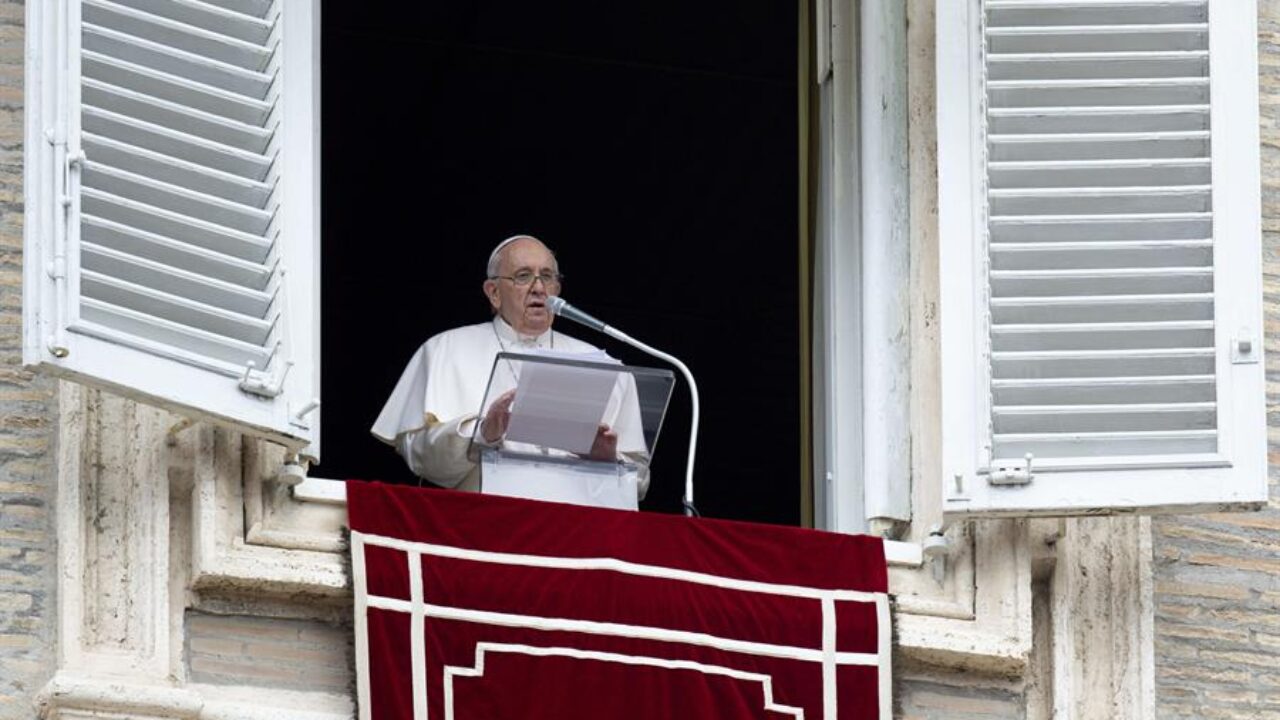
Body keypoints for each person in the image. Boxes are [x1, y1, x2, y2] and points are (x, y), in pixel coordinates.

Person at [371, 235, 647, 495]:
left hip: (577, 532)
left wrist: (608, 460)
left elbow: (640, 482)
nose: (539, 288)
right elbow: (418, 454)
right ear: (493, 292)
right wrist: (482, 433)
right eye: (523, 276)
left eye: (547, 277)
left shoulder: (604, 365)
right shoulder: (445, 349)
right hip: (483, 527)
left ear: (558, 289)